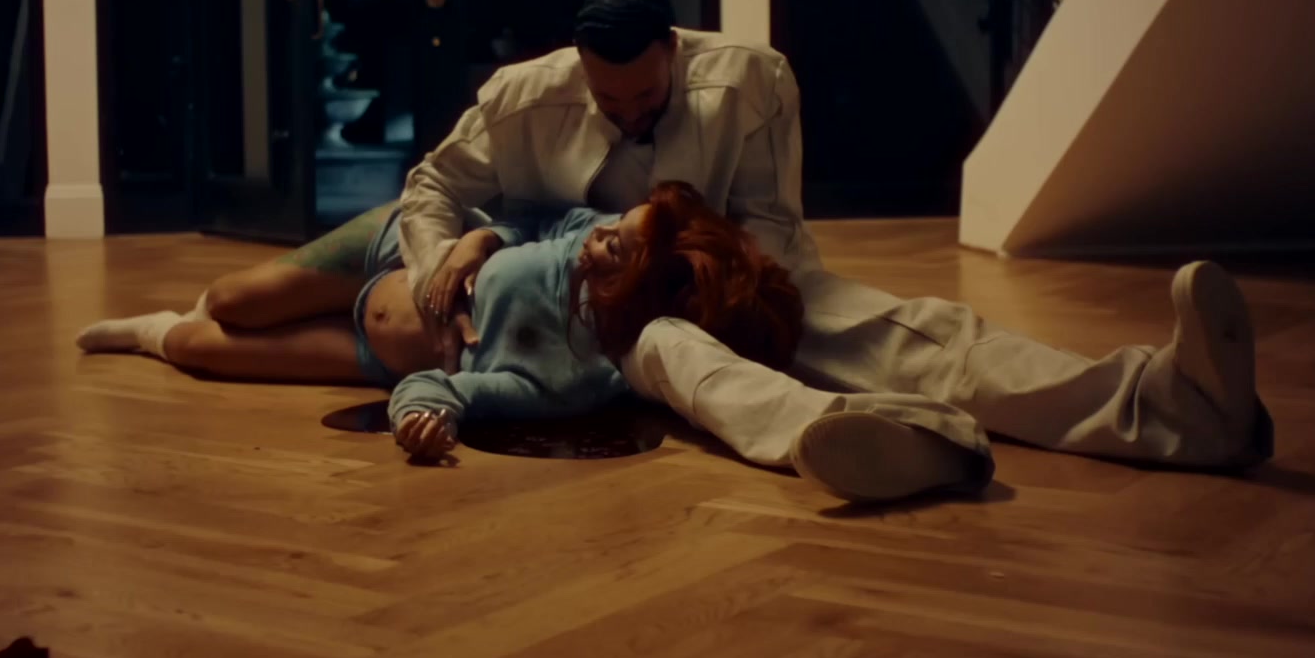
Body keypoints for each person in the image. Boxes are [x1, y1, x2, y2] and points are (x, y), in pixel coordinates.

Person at [389, 0, 1270, 502]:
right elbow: (431, 187)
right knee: (688, 363)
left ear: (674, 51)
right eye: (606, 102)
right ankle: (890, 438)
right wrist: (440, 280)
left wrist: (716, 293)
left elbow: (771, 236)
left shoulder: (753, 80)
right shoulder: (519, 96)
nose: (628, 117)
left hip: (728, 284)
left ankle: (1174, 403)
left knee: (921, 337)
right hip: (594, 325)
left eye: (645, 97)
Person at [76, 182, 805, 463]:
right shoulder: (586, 234)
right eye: (613, 224)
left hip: (375, 351)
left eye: (615, 247)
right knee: (229, 299)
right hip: (396, 250)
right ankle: (195, 307)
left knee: (198, 347)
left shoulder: (571, 378)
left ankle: (148, 332)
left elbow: (446, 390)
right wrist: (477, 241)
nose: (598, 236)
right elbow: (530, 221)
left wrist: (422, 420)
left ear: (638, 290)